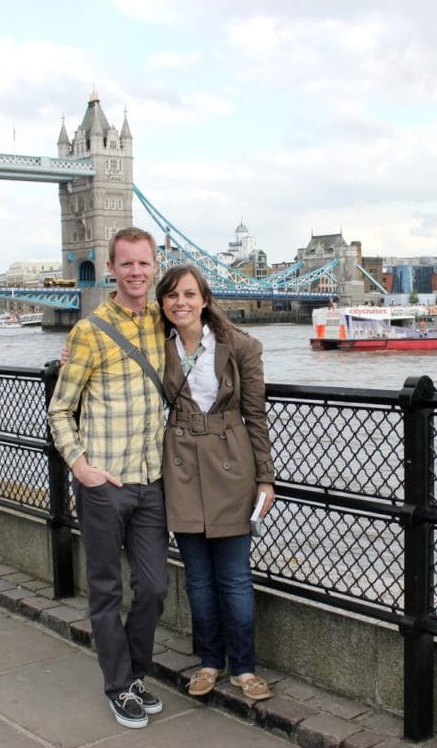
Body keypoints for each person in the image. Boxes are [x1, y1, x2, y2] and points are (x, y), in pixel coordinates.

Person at [46, 227, 168, 730]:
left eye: (144, 264)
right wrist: (80, 466)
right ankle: (119, 686)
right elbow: (60, 410)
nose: (136, 273)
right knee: (105, 589)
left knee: (155, 587)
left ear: (154, 266)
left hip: (153, 479)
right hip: (104, 482)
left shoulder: (165, 322)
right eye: (127, 264)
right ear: (111, 268)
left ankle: (136, 675)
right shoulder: (88, 332)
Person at [156, 264, 276, 701]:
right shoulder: (153, 344)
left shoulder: (240, 346)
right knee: (198, 579)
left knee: (235, 577)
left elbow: (256, 415)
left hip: (232, 464)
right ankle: (209, 661)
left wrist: (266, 477)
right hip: (182, 464)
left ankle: (244, 668)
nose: (180, 303)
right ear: (163, 304)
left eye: (189, 294)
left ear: (205, 299)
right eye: (171, 296)